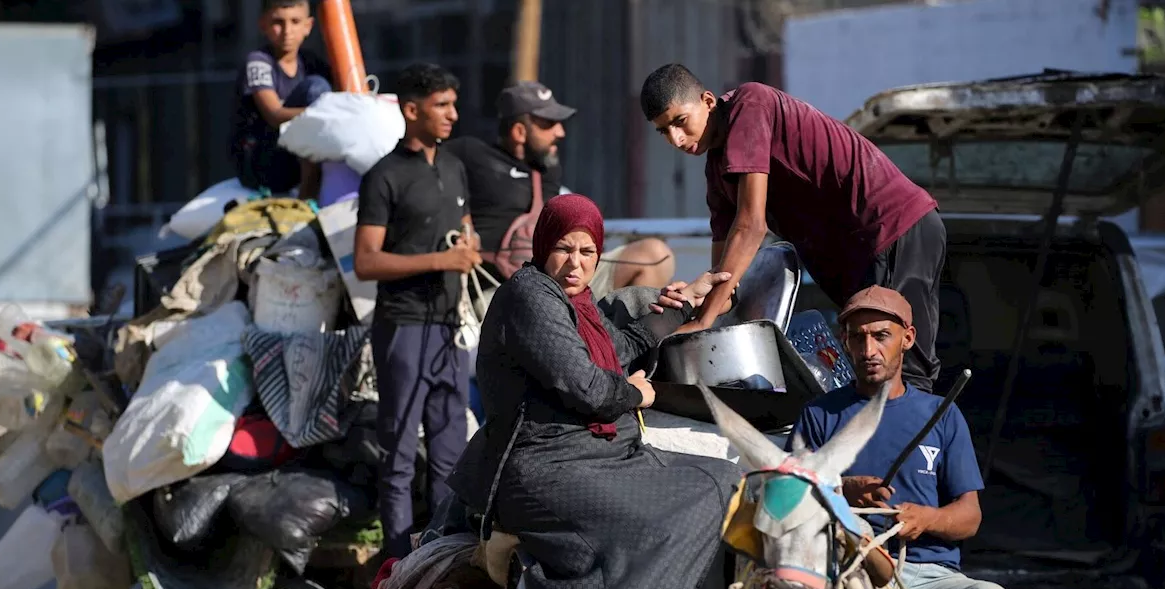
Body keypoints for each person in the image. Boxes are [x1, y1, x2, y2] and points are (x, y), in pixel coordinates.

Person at [446, 193, 739, 589]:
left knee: (725, 481)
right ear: (542, 248)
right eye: (563, 248)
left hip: (600, 457)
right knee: (661, 523)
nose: (576, 261)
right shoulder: (528, 295)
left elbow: (617, 345)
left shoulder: (574, 304)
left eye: (586, 251)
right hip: (543, 468)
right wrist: (631, 394)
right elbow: (584, 384)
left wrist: (680, 308)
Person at [641, 64, 945, 392]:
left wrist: (703, 322)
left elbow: (751, 226)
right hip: (854, 256)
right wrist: (692, 299)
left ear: (708, 101)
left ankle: (922, 442)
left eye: (679, 121)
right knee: (867, 370)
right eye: (663, 131)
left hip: (893, 226)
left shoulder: (749, 104)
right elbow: (725, 279)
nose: (675, 138)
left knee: (901, 370)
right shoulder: (717, 174)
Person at [787, 285, 1013, 589]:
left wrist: (926, 519)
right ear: (845, 342)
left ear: (907, 339)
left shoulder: (941, 415)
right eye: (858, 337)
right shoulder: (819, 415)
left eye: (881, 336)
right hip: (845, 572)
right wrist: (842, 487)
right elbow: (785, 501)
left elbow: (969, 517)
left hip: (928, 579)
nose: (868, 348)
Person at [354, 63, 482, 559]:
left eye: (453, 103)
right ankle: (395, 562)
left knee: (452, 451)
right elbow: (366, 261)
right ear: (411, 110)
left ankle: (443, 556)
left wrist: (469, 246)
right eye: (441, 106)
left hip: (450, 327)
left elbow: (464, 225)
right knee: (400, 452)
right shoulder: (384, 176)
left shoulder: (453, 166)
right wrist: (441, 259)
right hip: (404, 327)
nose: (453, 114)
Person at [445, 80, 676, 297]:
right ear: (519, 132)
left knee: (655, 255)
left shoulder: (547, 171)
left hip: (558, 280)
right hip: (499, 291)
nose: (560, 133)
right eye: (548, 124)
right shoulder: (470, 154)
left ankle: (614, 337)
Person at [229, 0, 333, 197]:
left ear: (308, 26)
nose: (287, 31)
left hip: (294, 158)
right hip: (263, 163)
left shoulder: (311, 62)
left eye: (295, 21)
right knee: (316, 87)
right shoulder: (258, 62)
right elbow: (274, 114)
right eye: (278, 22)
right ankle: (308, 196)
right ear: (263, 25)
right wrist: (327, 113)